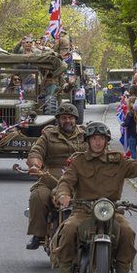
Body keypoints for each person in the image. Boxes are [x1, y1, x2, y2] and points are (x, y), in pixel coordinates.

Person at [51, 120, 137, 273]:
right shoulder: (78, 161)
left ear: (107, 141)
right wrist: (63, 195)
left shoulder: (118, 160)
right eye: (94, 138)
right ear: (88, 141)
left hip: (111, 209)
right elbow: (65, 182)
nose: (98, 142)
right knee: (68, 230)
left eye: (101, 139)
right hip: (83, 209)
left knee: (128, 232)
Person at [24, 103, 85, 250]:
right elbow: (36, 152)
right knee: (38, 196)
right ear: (58, 120)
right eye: (64, 118)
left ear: (75, 119)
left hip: (80, 178)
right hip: (51, 176)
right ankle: (38, 234)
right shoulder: (48, 135)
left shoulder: (86, 135)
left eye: (70, 118)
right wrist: (35, 165)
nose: (67, 121)